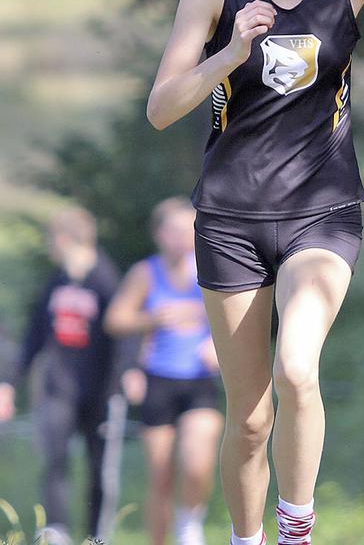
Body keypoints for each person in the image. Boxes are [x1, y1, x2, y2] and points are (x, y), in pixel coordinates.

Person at [146, 0, 364, 542]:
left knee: (297, 368)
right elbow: (161, 108)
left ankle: (295, 530)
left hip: (321, 211)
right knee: (250, 420)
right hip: (230, 220)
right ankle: (245, 537)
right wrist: (229, 53)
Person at [0, 206, 123, 545]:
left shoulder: (106, 279)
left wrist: (123, 379)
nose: (50, 246)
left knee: (99, 469)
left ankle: (96, 536)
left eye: (51, 239)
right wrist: (7, 384)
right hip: (59, 389)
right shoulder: (57, 282)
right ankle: (56, 530)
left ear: (63, 239)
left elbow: (124, 338)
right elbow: (34, 337)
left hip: (101, 391)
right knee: (55, 460)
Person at [104, 197, 224, 545]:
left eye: (189, 229)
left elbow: (240, 318)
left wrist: (217, 344)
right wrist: (152, 318)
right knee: (160, 476)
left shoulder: (212, 270)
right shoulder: (146, 273)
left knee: (198, 462)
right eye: (173, 230)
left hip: (200, 380)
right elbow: (114, 320)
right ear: (158, 234)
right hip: (158, 380)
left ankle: (190, 520)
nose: (183, 238)